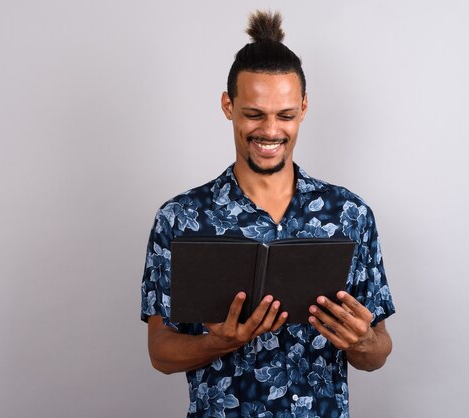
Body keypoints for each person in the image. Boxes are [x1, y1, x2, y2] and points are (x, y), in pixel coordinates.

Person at [140, 10, 395, 418]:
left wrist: (362, 341)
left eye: (286, 115)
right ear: (228, 106)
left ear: (304, 108)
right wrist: (218, 341)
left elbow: (378, 352)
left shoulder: (350, 214)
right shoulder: (180, 218)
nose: (270, 131)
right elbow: (161, 352)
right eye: (254, 114)